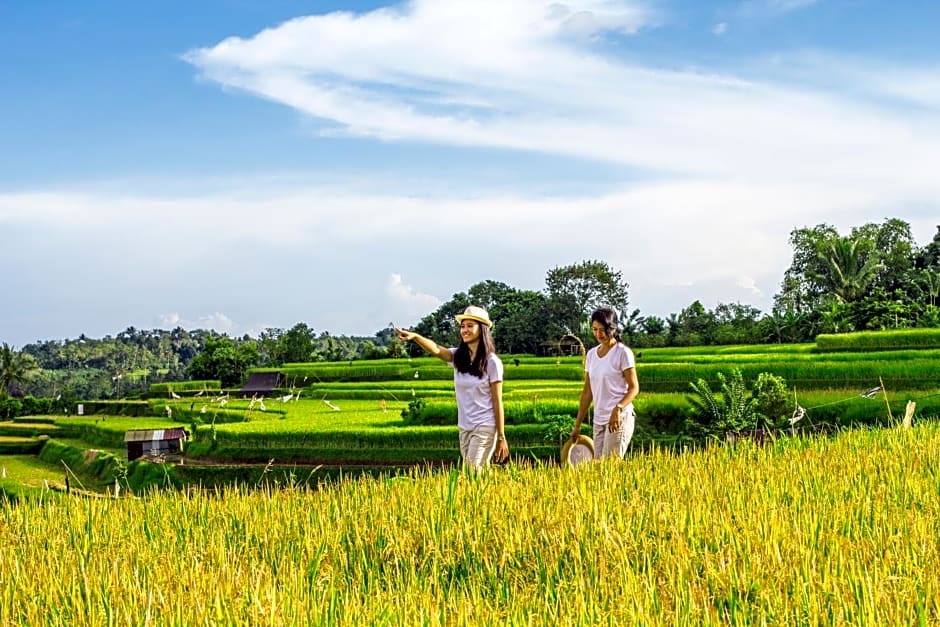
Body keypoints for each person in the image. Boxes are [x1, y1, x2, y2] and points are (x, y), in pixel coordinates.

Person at [397, 305, 509, 469]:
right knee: (479, 471)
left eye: (470, 326)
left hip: (484, 425)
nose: (465, 330)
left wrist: (501, 436)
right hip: (464, 426)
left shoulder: (492, 362)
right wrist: (416, 337)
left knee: (472, 470)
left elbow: (497, 401)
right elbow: (436, 350)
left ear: (482, 329)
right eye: (463, 326)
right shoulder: (458, 357)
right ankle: (497, 493)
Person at [570, 307, 640, 459]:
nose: (598, 334)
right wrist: (577, 425)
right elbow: (587, 392)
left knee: (610, 466)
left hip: (618, 418)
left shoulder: (622, 352)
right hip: (599, 419)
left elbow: (634, 388)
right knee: (598, 469)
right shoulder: (591, 355)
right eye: (595, 329)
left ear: (612, 328)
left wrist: (618, 408)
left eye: (602, 329)